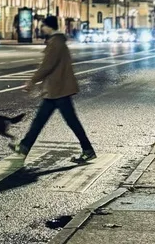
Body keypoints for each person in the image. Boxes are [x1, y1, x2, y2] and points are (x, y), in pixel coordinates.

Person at [11, 16, 96, 163]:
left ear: (49, 27)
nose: (41, 28)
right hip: (55, 89)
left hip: (58, 89)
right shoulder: (57, 41)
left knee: (70, 122)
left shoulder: (55, 42)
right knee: (40, 121)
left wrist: (31, 81)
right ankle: (25, 146)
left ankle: (88, 149)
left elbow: (47, 66)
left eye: (43, 26)